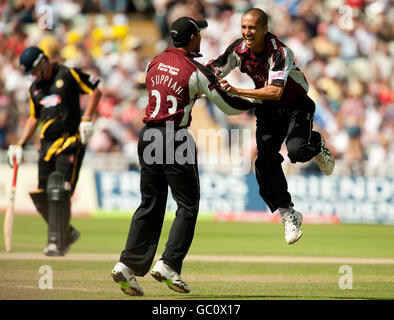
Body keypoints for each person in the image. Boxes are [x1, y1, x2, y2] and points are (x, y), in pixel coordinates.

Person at [111, 16, 261, 296]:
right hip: (175, 137)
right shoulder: (194, 70)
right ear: (192, 38)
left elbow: (170, 89)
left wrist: (194, 93)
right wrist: (257, 99)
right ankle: (168, 264)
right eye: (199, 34)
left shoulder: (153, 62)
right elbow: (228, 107)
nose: (201, 37)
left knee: (150, 204)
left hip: (148, 135)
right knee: (187, 205)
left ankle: (127, 265)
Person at [207, 8, 335, 245]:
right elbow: (213, 69)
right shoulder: (238, 49)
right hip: (267, 109)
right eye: (244, 27)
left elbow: (275, 92)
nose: (247, 32)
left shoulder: (280, 52)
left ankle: (316, 145)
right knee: (264, 160)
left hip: (296, 104)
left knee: (296, 151)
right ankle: (288, 213)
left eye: (252, 28)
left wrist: (237, 91)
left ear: (265, 30)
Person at [7, 46, 102, 256]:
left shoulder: (67, 74)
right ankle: (65, 232)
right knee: (41, 195)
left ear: (42, 62)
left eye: (33, 70)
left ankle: (56, 242)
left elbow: (95, 90)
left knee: (58, 189)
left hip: (69, 140)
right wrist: (20, 143)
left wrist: (87, 119)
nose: (33, 76)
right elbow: (34, 117)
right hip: (46, 145)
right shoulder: (35, 88)